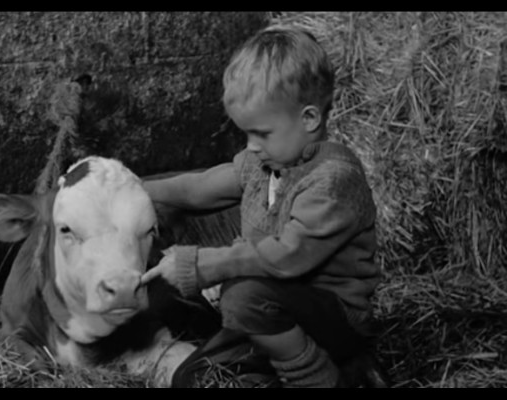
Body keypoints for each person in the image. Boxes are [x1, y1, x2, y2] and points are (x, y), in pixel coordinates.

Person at [141, 24, 381, 388]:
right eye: (245, 133)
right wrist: (132, 187)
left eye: (262, 133)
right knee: (192, 378)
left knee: (242, 296)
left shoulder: (333, 179)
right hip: (272, 311)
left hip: (335, 317)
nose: (251, 145)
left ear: (310, 119)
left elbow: (287, 257)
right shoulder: (263, 163)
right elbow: (200, 187)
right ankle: (311, 371)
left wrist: (204, 266)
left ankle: (321, 377)